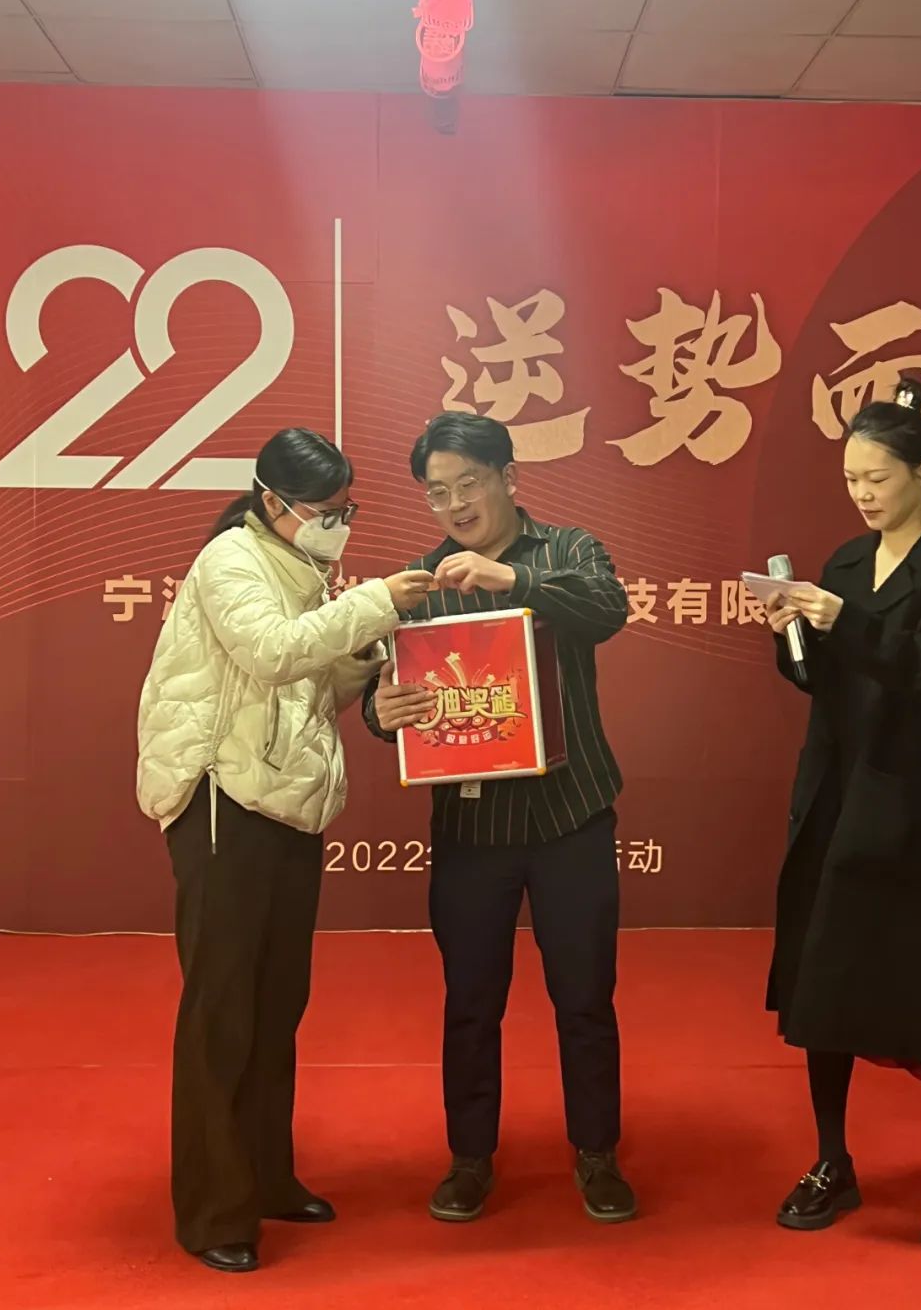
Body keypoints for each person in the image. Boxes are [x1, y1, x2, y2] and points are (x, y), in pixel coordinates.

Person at [137, 428, 434, 1273]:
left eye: (347, 509)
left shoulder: (304, 569)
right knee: (224, 1008)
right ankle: (212, 1209)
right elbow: (270, 653)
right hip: (223, 800)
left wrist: (368, 665)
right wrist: (375, 604)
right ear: (272, 501)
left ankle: (265, 1174)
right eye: (325, 510)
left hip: (286, 803)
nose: (339, 523)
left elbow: (307, 686)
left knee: (276, 1004)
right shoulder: (230, 559)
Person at [364, 412, 636, 1224]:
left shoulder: (569, 550)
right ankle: (469, 1158)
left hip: (570, 819)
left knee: (584, 996)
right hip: (472, 833)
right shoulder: (419, 582)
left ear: (508, 478)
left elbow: (607, 609)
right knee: (471, 1001)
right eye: (436, 492)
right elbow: (386, 696)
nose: (454, 505)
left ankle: (597, 1153)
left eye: (468, 484)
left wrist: (512, 581)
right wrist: (382, 711)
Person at [762, 378, 921, 1252]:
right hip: (840, 796)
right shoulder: (842, 563)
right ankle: (833, 1159)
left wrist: (848, 623)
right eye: (851, 478)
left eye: (878, 477)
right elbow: (821, 681)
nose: (862, 493)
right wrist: (791, 633)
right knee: (824, 988)